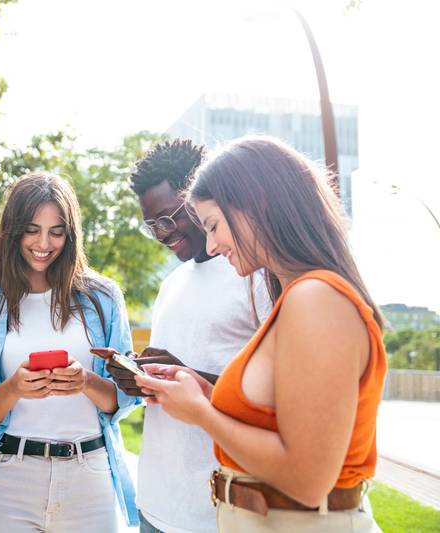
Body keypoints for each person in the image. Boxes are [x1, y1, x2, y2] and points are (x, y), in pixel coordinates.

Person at [136, 136, 387, 532]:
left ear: (257, 204)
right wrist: (204, 392)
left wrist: (201, 413)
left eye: (214, 225)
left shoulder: (315, 297)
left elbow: (307, 479)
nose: (214, 245)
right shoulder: (299, 295)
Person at [0, 172, 140, 533]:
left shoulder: (103, 297)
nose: (43, 243)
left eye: (56, 231)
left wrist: (85, 381)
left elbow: (126, 398)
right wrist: (13, 389)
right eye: (32, 229)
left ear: (70, 235)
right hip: (9, 476)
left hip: (89, 473)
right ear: (11, 231)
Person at [101, 138, 269, 533]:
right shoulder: (172, 284)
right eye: (152, 225)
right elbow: (169, 390)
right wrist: (140, 376)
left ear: (201, 197)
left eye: (170, 217)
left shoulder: (256, 277)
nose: (161, 233)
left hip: (216, 513)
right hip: (155, 504)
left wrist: (187, 376)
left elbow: (275, 400)